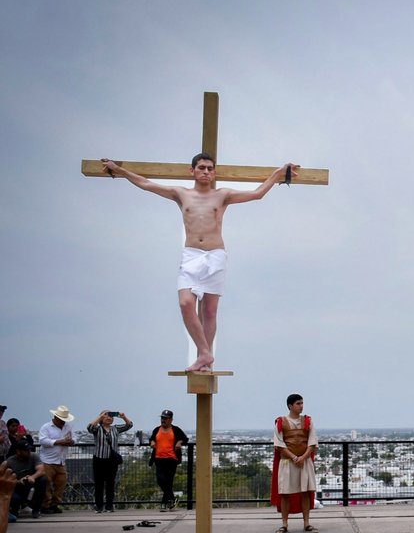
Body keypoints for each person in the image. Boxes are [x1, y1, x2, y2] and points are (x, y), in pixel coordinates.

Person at [100, 154, 296, 372]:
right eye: (201, 167)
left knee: (210, 312)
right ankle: (204, 353)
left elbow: (257, 194)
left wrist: (278, 174)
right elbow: (146, 184)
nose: (206, 171)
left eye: (210, 168)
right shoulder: (181, 194)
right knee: (186, 303)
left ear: (214, 173)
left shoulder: (223, 195)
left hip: (215, 254)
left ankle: (205, 360)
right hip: (192, 255)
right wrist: (119, 170)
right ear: (191, 171)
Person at [271, 394, 318, 533]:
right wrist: (293, 457)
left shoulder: (308, 421)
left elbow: (312, 441)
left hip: (304, 461)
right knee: (285, 493)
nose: (301, 406)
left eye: (302, 403)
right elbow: (279, 444)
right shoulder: (281, 422)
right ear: (290, 406)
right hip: (287, 462)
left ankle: (306, 523)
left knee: (305, 492)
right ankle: (284, 524)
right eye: (298, 403)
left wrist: (303, 457)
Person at [86, 409, 132, 513]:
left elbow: (129, 425)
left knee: (110, 483)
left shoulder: (115, 429)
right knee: (99, 484)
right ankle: (99, 506)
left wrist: (123, 416)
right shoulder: (98, 429)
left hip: (112, 460)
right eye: (106, 416)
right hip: (99, 459)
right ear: (101, 418)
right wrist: (100, 416)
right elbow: (89, 427)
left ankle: (109, 505)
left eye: (111, 416)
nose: (109, 417)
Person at [36, 405, 75, 514]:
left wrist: (71, 442)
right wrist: (59, 441)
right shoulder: (46, 427)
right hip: (47, 461)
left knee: (61, 483)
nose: (63, 422)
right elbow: (43, 441)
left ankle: (55, 503)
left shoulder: (68, 427)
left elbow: (74, 438)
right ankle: (46, 505)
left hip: (61, 460)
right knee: (47, 484)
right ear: (55, 417)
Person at [148, 410, 189, 510]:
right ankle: (172, 499)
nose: (163, 420)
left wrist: (179, 442)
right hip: (159, 459)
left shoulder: (175, 430)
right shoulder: (157, 430)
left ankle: (164, 503)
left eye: (165, 418)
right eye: (162, 418)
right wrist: (152, 442)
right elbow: (151, 439)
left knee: (168, 481)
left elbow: (185, 438)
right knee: (160, 480)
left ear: (171, 420)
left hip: (171, 459)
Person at [4, 438, 47, 520]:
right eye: (26, 451)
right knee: (14, 497)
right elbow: (4, 479)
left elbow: (41, 470)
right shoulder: (10, 462)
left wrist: (32, 477)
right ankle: (14, 510)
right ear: (18, 451)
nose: (29, 452)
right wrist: (18, 481)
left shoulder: (34, 456)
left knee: (43, 480)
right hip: (17, 486)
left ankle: (36, 509)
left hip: (31, 484)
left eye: (29, 450)